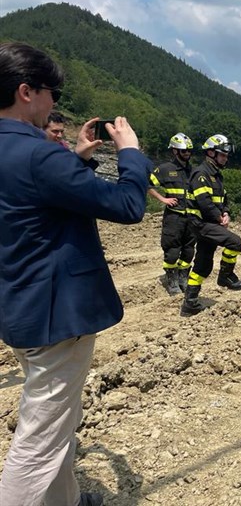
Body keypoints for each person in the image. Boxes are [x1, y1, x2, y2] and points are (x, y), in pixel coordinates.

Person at [0, 42, 150, 506]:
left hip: (18, 304)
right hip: (55, 316)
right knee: (38, 441)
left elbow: (37, 204)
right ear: (27, 91)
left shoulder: (28, 153)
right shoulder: (41, 156)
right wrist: (130, 154)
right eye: (52, 95)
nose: (53, 105)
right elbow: (127, 206)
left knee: (57, 422)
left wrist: (78, 158)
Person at [182, 134, 241, 317]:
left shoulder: (216, 175)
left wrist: (225, 212)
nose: (225, 159)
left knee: (203, 264)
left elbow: (222, 200)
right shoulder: (201, 174)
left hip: (209, 222)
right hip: (202, 223)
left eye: (226, 156)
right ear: (210, 153)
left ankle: (190, 303)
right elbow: (205, 203)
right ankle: (225, 277)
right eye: (222, 155)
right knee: (235, 242)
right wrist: (220, 218)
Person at [148, 133, 196, 295]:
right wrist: (163, 199)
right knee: (172, 251)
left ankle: (183, 276)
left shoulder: (193, 171)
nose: (187, 153)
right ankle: (172, 280)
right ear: (175, 151)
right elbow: (147, 185)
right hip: (174, 217)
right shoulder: (164, 169)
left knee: (189, 250)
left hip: (191, 217)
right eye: (184, 151)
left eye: (189, 150)